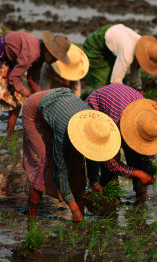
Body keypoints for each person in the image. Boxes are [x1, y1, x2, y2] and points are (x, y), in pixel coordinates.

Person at [23, 88, 121, 222]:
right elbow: (60, 173)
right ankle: (31, 219)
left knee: (76, 166)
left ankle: (79, 220)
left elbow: (92, 154)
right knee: (44, 164)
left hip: (62, 102)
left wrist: (94, 182)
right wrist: (73, 208)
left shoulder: (94, 123)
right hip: (35, 110)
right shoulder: (64, 132)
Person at [85, 83, 157, 201]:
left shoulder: (149, 120)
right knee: (107, 168)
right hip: (98, 108)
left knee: (139, 158)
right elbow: (110, 163)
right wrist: (138, 173)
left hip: (122, 103)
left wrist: (147, 167)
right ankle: (109, 198)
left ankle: (141, 197)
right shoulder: (115, 123)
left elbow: (148, 151)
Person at [0, 30, 71, 135]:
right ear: (48, 51)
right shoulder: (31, 54)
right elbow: (13, 78)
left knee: (18, 96)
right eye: (55, 57)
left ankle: (10, 131)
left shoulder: (40, 57)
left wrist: (40, 97)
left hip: (10, 58)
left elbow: (32, 79)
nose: (55, 61)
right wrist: (28, 94)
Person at [82, 24, 157, 93]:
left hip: (114, 42)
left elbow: (136, 67)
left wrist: (137, 88)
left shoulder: (142, 45)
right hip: (96, 43)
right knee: (101, 84)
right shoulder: (127, 54)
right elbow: (115, 82)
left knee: (122, 82)